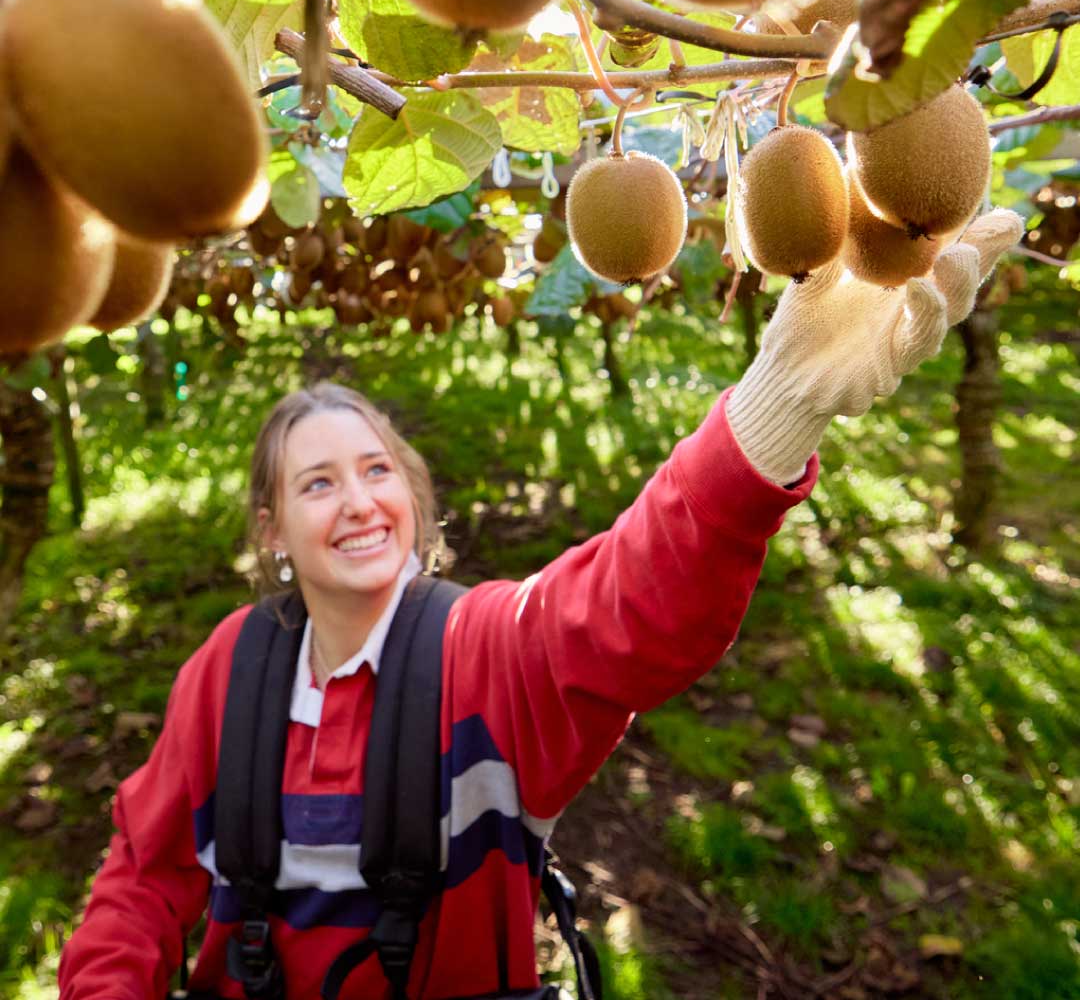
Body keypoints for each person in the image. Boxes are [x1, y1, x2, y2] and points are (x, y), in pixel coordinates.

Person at [57, 210, 1022, 1000]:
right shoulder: (229, 668)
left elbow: (630, 603)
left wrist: (777, 408)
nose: (356, 502)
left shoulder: (479, 650)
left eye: (376, 471)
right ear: (270, 529)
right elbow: (142, 878)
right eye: (316, 485)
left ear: (413, 497)